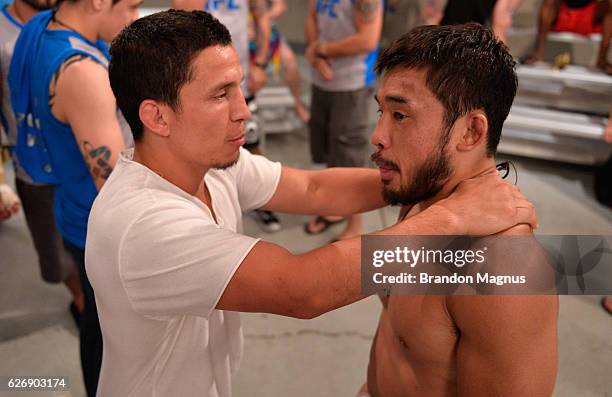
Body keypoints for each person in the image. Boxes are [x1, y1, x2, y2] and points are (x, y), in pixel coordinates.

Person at [89, 10, 537, 396]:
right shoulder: (143, 224)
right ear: (157, 116)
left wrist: (418, 183)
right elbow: (302, 289)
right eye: (220, 94)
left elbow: (313, 189)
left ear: (472, 132)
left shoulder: (509, 259)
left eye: (399, 114)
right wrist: (453, 213)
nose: (243, 109)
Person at [362, 24, 558, 397]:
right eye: (381, 112)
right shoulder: (421, 193)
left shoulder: (504, 268)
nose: (378, 135)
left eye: (400, 116)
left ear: (470, 132)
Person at [8, 0, 141, 393]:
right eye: (131, 6)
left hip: (74, 209)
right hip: (98, 225)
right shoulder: (81, 71)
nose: (134, 18)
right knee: (110, 339)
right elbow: (116, 184)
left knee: (98, 326)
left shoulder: (42, 29)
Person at [1, 0, 85, 325]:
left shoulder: (71, 18)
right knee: (56, 255)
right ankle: (80, 300)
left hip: (81, 156)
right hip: (34, 166)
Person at [173, 0, 283, 232]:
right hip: (204, 81)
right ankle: (206, 209)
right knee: (205, 143)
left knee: (248, 136)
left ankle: (260, 201)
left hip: (238, 74)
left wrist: (260, 64)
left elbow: (261, 17)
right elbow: (184, 24)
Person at [304, 0, 383, 241]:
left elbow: (367, 40)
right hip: (322, 80)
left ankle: (354, 227)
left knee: (350, 158)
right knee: (328, 151)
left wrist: (321, 50)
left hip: (352, 84)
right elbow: (312, 17)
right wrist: (315, 53)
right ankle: (332, 210)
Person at [248, 0, 310, 122]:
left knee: (290, 61)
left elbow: (280, 6)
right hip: (246, 32)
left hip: (267, 28)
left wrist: (265, 17)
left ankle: (297, 104)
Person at [523, 0, 611, 73]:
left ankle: (602, 60)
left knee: (610, 4)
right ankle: (538, 54)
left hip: (588, 16)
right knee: (549, 1)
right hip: (563, 14)